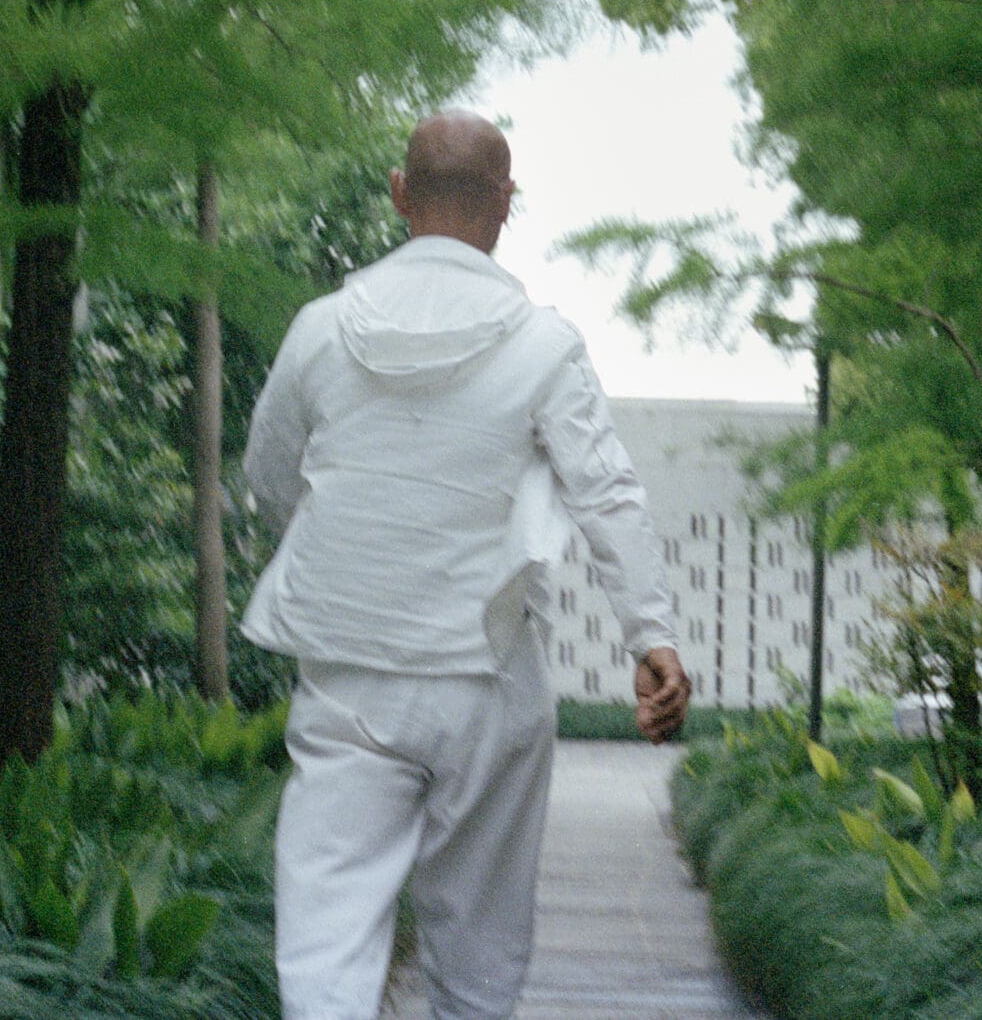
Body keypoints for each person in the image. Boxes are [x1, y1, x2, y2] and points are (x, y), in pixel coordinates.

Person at [240, 109, 692, 1020]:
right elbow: (606, 497)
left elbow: (268, 479)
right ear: (506, 202)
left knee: (327, 944)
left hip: (349, 680)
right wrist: (651, 635)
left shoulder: (322, 331)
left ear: (401, 195)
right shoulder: (543, 345)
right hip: (489, 683)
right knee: (476, 955)